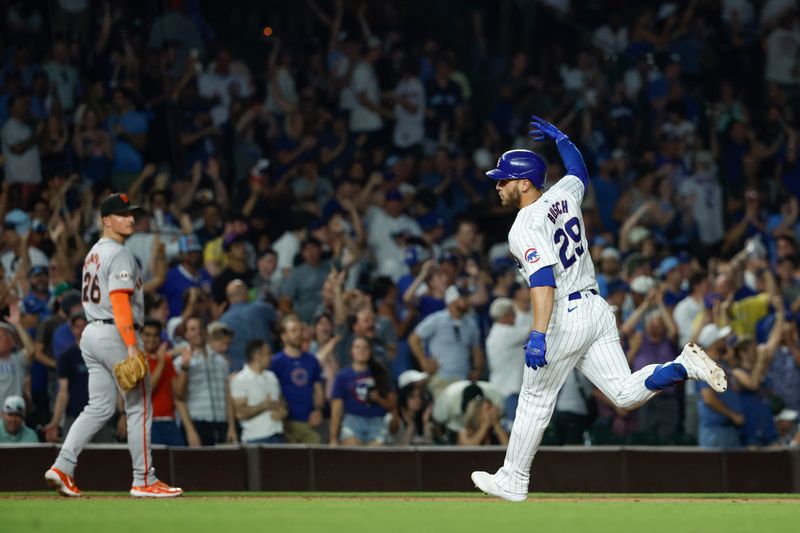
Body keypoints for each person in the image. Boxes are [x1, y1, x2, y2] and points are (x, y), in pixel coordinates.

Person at [471, 116, 726, 502]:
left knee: (535, 398)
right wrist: (563, 139)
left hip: (565, 315)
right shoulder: (563, 195)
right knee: (623, 394)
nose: (498, 185)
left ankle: (513, 478)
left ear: (524, 184)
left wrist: (538, 334)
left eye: (503, 179)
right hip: (596, 308)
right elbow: (578, 169)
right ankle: (683, 367)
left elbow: (543, 283)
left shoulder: (523, 226)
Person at [45, 193, 182, 498]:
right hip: (115, 332)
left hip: (92, 333)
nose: (130, 218)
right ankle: (144, 479)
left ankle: (62, 466)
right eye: (121, 214)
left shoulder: (94, 252)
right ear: (106, 221)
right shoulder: (119, 253)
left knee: (100, 406)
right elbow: (120, 300)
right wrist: (132, 345)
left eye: (131, 213)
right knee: (140, 405)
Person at [44, 312, 117, 444]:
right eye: (77, 326)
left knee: (106, 459)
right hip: (75, 416)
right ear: (72, 329)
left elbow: (115, 384)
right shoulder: (66, 357)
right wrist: (55, 421)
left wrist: (123, 414)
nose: (81, 330)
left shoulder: (103, 353)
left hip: (103, 416)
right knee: (74, 459)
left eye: (84, 326)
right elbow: (63, 392)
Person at [408, 285, 484, 397]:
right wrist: (423, 361)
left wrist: (478, 369)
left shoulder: (471, 324)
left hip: (463, 379)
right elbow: (413, 339)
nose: (468, 301)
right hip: (441, 379)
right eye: (464, 298)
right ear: (452, 299)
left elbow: (476, 349)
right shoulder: (437, 319)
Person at [174, 317, 237, 446]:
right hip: (197, 422)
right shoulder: (179, 362)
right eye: (192, 329)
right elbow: (179, 398)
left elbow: (227, 395)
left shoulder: (222, 361)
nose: (197, 332)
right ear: (186, 335)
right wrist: (190, 431)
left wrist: (231, 426)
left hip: (221, 422)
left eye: (200, 328)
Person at [329, 336, 395, 446]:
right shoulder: (342, 376)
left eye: (365, 348)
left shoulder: (380, 373)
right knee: (355, 456)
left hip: (377, 422)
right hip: (352, 421)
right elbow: (336, 408)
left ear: (370, 352)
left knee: (376, 458)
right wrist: (333, 438)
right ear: (351, 351)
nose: (361, 351)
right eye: (357, 347)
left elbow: (392, 404)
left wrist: (379, 399)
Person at [270, 315, 325, 444]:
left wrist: (318, 410)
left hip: (308, 422)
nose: (298, 334)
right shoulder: (275, 362)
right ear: (284, 336)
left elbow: (318, 389)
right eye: (293, 331)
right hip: (285, 422)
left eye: (300, 330)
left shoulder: (312, 361)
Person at [230, 340, 287, 444]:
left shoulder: (272, 377)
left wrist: (283, 412)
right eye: (268, 353)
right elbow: (240, 413)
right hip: (256, 438)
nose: (272, 357)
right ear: (257, 356)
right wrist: (264, 406)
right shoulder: (240, 379)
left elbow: (281, 402)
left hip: (278, 435)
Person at [218, 279, 278, 372]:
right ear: (246, 293)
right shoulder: (262, 308)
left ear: (228, 297)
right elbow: (280, 324)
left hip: (237, 372)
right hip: (265, 367)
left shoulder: (222, 320)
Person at [141, 319, 184, 446]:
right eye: (147, 335)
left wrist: (184, 366)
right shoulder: (137, 361)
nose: (152, 339)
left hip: (170, 421)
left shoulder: (167, 360)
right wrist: (161, 363)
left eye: (155, 335)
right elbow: (147, 390)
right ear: (140, 336)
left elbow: (178, 393)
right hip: (149, 421)